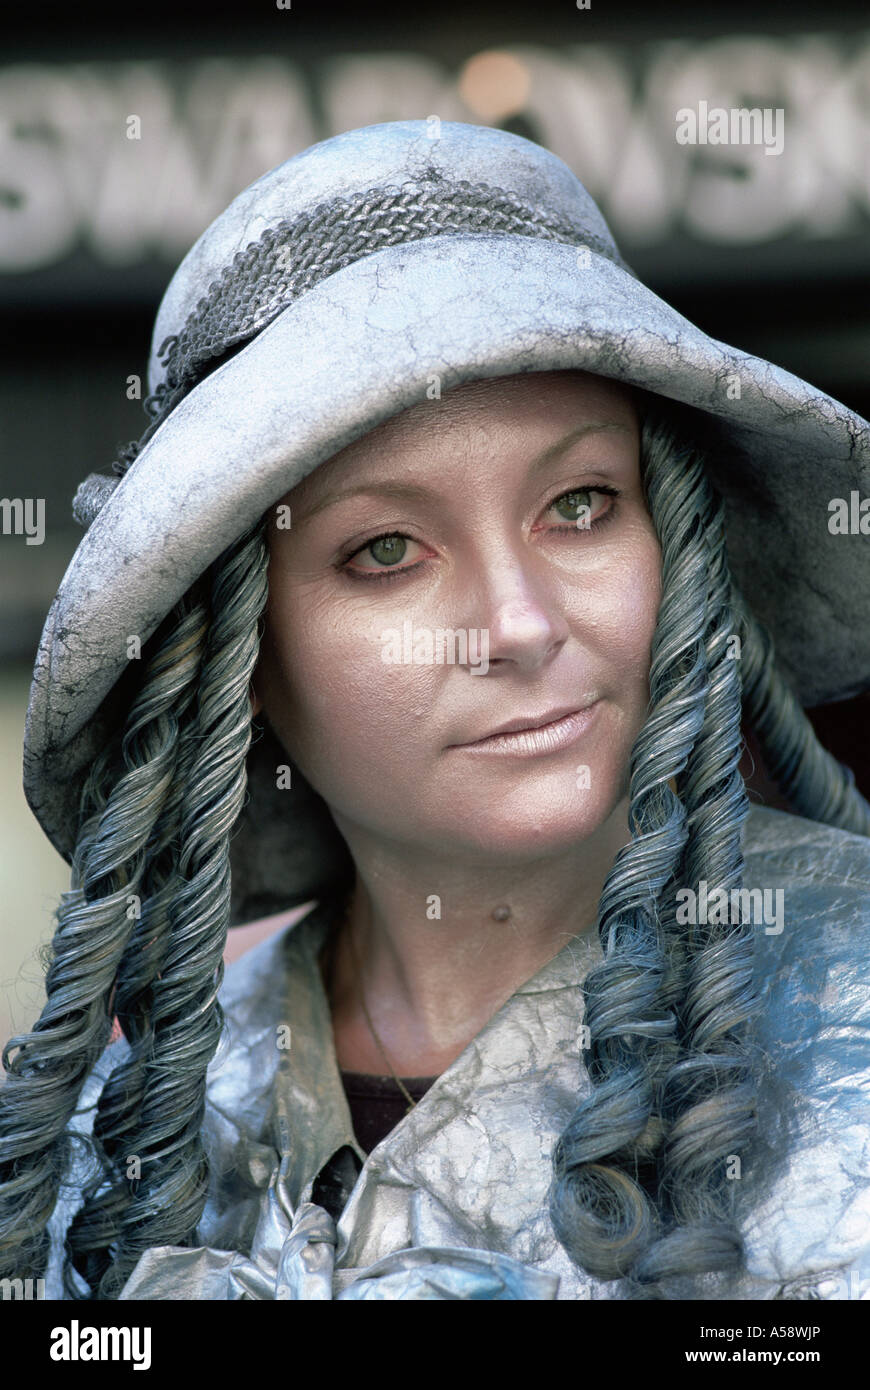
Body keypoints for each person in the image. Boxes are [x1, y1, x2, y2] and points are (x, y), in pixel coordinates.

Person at [2, 120, 868, 1302]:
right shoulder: (116, 1136)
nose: (517, 622)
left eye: (579, 504)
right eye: (389, 549)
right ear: (242, 655)